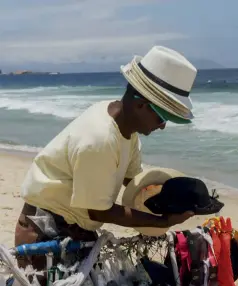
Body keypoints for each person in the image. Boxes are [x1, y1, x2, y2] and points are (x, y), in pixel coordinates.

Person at [15, 46, 198, 261]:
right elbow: (99, 211)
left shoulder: (126, 128)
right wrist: (163, 222)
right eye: (162, 117)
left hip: (75, 226)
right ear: (140, 105)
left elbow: (134, 181)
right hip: (44, 230)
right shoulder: (99, 139)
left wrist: (169, 200)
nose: (163, 126)